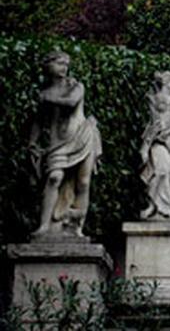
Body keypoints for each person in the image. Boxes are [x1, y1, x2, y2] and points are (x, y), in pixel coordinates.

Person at [30, 50, 103, 237]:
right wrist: (33, 142)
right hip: (58, 143)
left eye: (66, 64)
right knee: (54, 177)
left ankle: (77, 227)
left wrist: (46, 98)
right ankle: (44, 225)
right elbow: (39, 120)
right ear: (48, 66)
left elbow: (71, 103)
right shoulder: (44, 92)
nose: (64, 67)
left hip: (83, 136)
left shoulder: (75, 87)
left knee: (84, 182)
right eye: (59, 63)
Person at [139, 70, 170, 221]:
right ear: (164, 82)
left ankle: (168, 208)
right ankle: (154, 206)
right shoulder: (154, 98)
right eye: (169, 79)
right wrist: (153, 138)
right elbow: (153, 119)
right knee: (160, 171)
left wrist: (169, 131)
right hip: (158, 139)